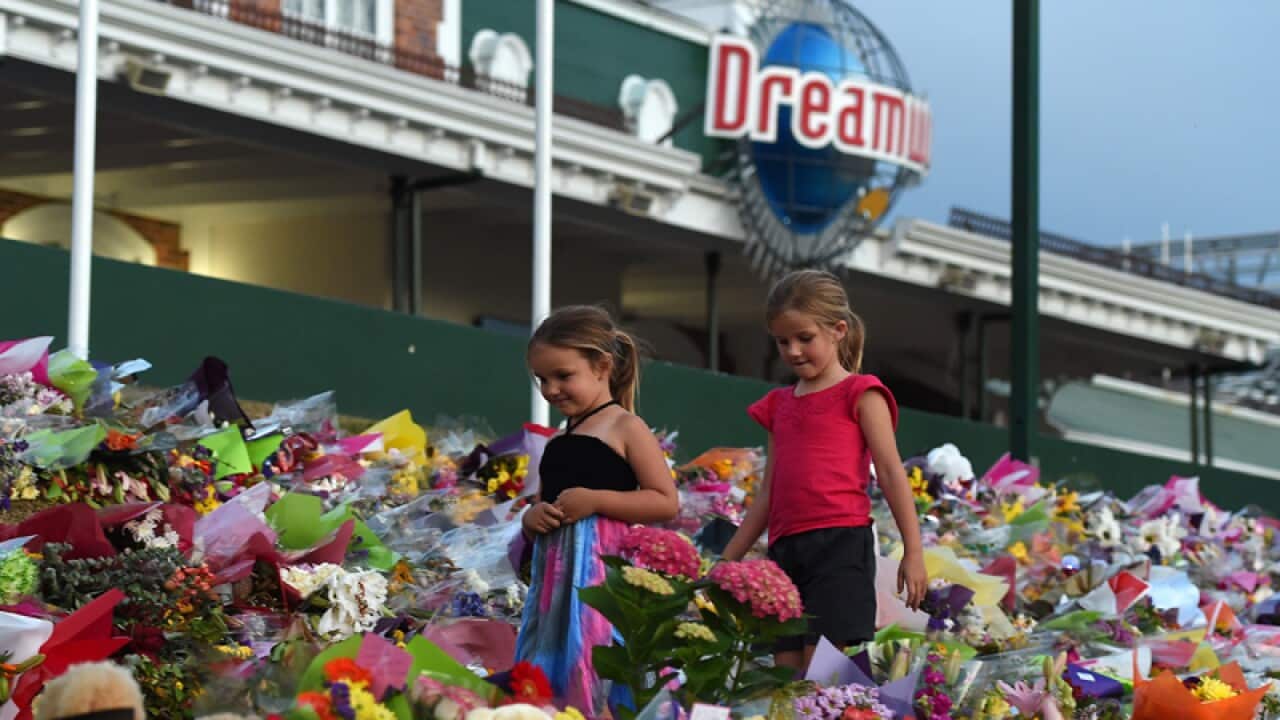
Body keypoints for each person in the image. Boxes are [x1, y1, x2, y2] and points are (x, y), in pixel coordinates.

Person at [720, 269, 928, 671]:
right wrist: (729, 558)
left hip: (839, 547)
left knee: (824, 672)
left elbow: (889, 471)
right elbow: (770, 491)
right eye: (783, 341)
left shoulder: (861, 393)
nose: (794, 351)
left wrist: (914, 552)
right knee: (785, 674)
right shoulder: (779, 404)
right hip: (785, 551)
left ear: (838, 330)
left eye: (805, 338)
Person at [514, 305, 679, 718]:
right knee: (553, 662)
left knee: (600, 662)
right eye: (542, 379)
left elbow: (664, 500)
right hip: (556, 584)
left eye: (563, 376)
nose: (551, 389)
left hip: (604, 578)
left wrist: (597, 500)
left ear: (602, 366)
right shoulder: (556, 443)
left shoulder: (625, 426)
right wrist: (531, 520)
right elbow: (543, 504)